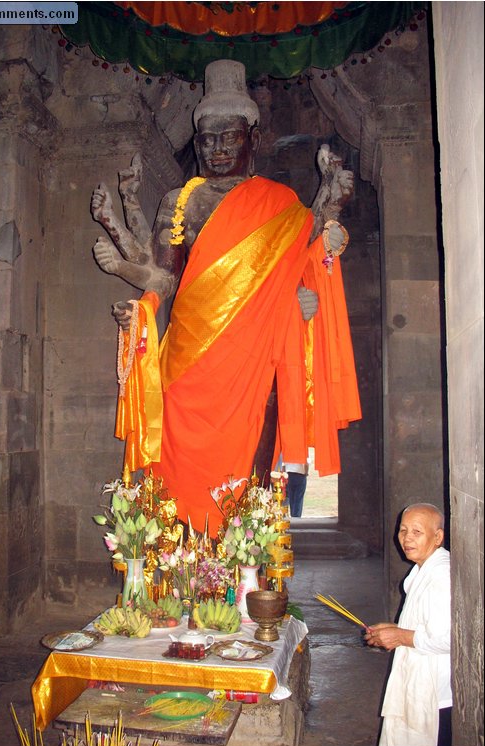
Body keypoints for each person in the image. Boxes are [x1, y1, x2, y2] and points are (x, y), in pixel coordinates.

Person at [90, 59, 361, 537]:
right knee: (177, 468)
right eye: (206, 140)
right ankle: (178, 564)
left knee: (246, 473)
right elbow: (164, 278)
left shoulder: (280, 203)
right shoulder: (180, 200)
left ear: (253, 137)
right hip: (189, 358)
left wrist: (331, 202)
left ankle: (240, 571)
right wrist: (140, 307)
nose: (215, 149)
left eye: (228, 137)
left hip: (254, 359)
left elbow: (306, 254)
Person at [364, 503, 452, 746]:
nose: (406, 538)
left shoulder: (442, 576)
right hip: (419, 680)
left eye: (417, 532)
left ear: (438, 537)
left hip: (436, 692)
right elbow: (425, 622)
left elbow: (448, 638)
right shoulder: (422, 569)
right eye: (403, 531)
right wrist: (392, 629)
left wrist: (401, 636)